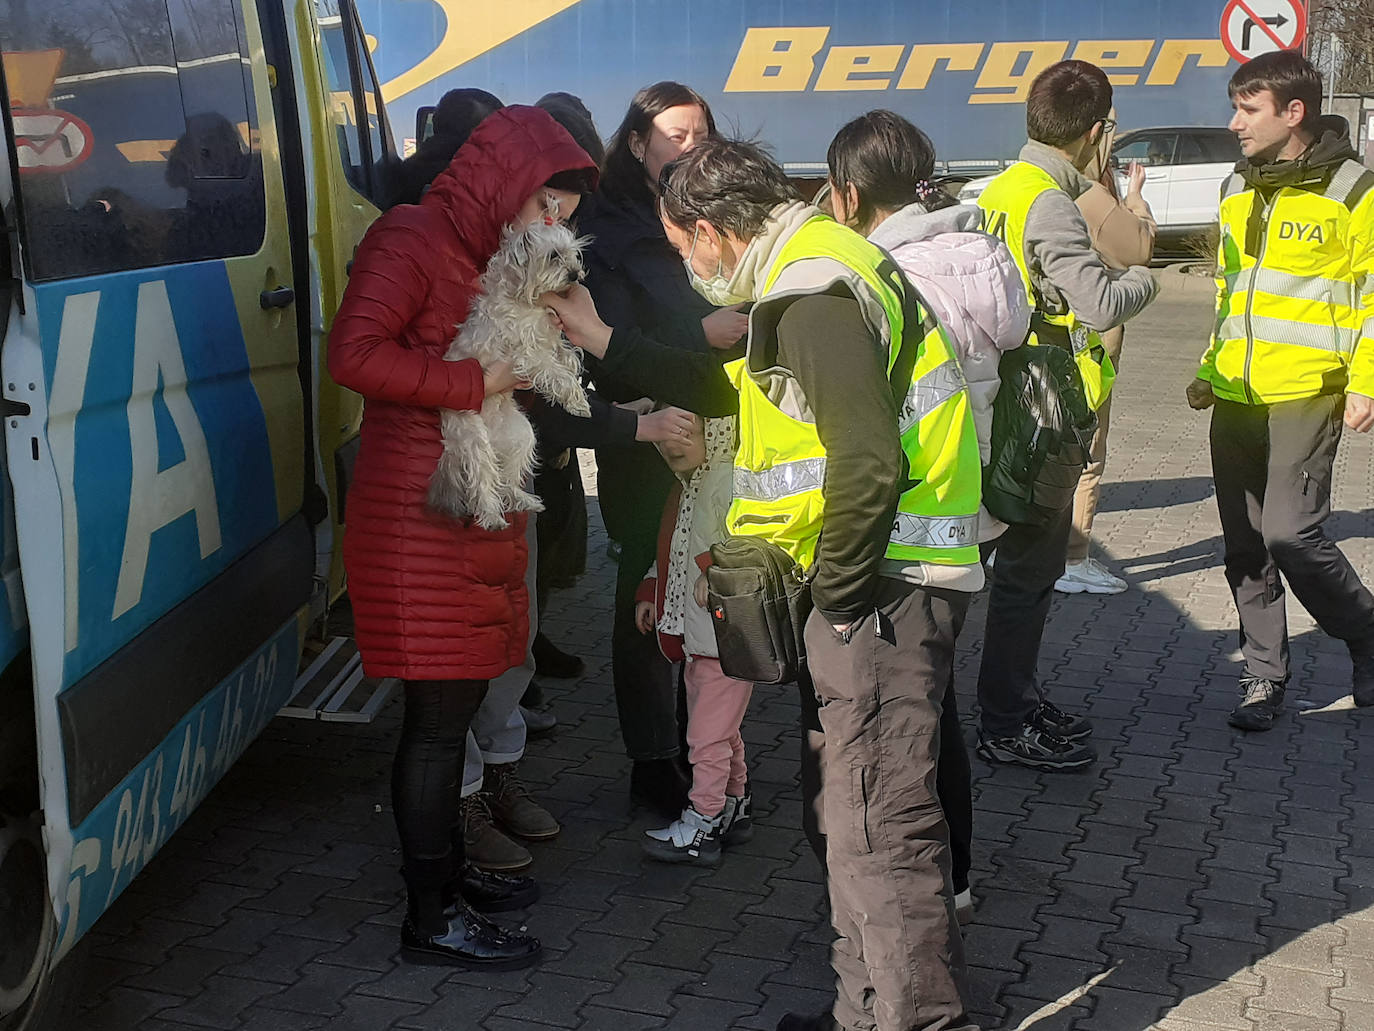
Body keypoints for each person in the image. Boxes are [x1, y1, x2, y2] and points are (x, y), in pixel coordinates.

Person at [546, 137, 982, 1031]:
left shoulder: (811, 290)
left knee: (876, 821)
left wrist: (839, 602)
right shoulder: (812, 269)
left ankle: (914, 1019)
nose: (686, 266)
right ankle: (864, 1008)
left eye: (681, 248)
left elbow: (864, 464)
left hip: (882, 590)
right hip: (885, 581)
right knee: (848, 810)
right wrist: (604, 340)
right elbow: (725, 388)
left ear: (711, 231)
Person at [327, 105, 596, 967]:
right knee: (438, 722)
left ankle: (450, 882)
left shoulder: (482, 251)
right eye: (546, 206)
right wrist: (471, 378)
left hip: (461, 510)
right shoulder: (408, 236)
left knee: (453, 714)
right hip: (415, 513)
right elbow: (352, 354)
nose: (552, 225)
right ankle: (431, 914)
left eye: (563, 215)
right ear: (505, 183)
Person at [824, 108, 1030, 923]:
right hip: (969, 513)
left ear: (847, 195)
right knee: (937, 703)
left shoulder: (888, 275)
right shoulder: (981, 252)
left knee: (906, 726)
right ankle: (962, 871)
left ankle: (926, 894)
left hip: (906, 520)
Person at [973, 60, 1158, 771]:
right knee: (1029, 568)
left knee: (1015, 560)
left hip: (1008, 396)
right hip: (1039, 410)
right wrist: (1142, 276)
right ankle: (1005, 717)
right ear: (1096, 130)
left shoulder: (1004, 187)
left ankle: (1011, 699)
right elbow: (1101, 304)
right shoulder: (1049, 201)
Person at [1186, 49, 1374, 728]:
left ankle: (1364, 628)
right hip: (1235, 392)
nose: (1234, 122)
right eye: (1236, 106)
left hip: (1307, 389)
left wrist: (1365, 383)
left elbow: (1372, 295)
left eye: (1248, 108)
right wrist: (1210, 366)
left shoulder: (1354, 190)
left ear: (1295, 112)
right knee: (1244, 544)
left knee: (1293, 534)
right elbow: (1229, 290)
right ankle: (1264, 678)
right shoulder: (1238, 186)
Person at [578, 82, 747, 818]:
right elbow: (607, 353)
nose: (691, 145)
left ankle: (707, 748)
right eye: (675, 134)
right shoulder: (606, 228)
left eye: (701, 132)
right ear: (638, 141)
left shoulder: (714, 210)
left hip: (718, 426)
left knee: (706, 585)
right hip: (645, 432)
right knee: (648, 592)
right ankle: (654, 759)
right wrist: (698, 336)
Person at [634, 413, 754, 866]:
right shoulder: (692, 484)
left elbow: (744, 537)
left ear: (718, 433)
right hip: (702, 639)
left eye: (688, 436)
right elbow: (674, 551)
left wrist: (716, 569)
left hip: (723, 636)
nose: (672, 447)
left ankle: (703, 821)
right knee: (722, 732)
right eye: (666, 438)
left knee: (705, 736)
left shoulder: (723, 479)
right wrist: (652, 588)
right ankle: (734, 803)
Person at [1057, 118, 1158, 596]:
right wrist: (1136, 198)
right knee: (1089, 452)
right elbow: (1139, 247)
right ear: (1094, 133)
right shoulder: (1090, 194)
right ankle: (1074, 561)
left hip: (1046, 342)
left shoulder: (1024, 186)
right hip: (1091, 341)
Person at [389, 88, 503, 207]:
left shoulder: (407, 174)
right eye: (499, 130)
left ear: (436, 122)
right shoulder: (478, 187)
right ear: (480, 135)